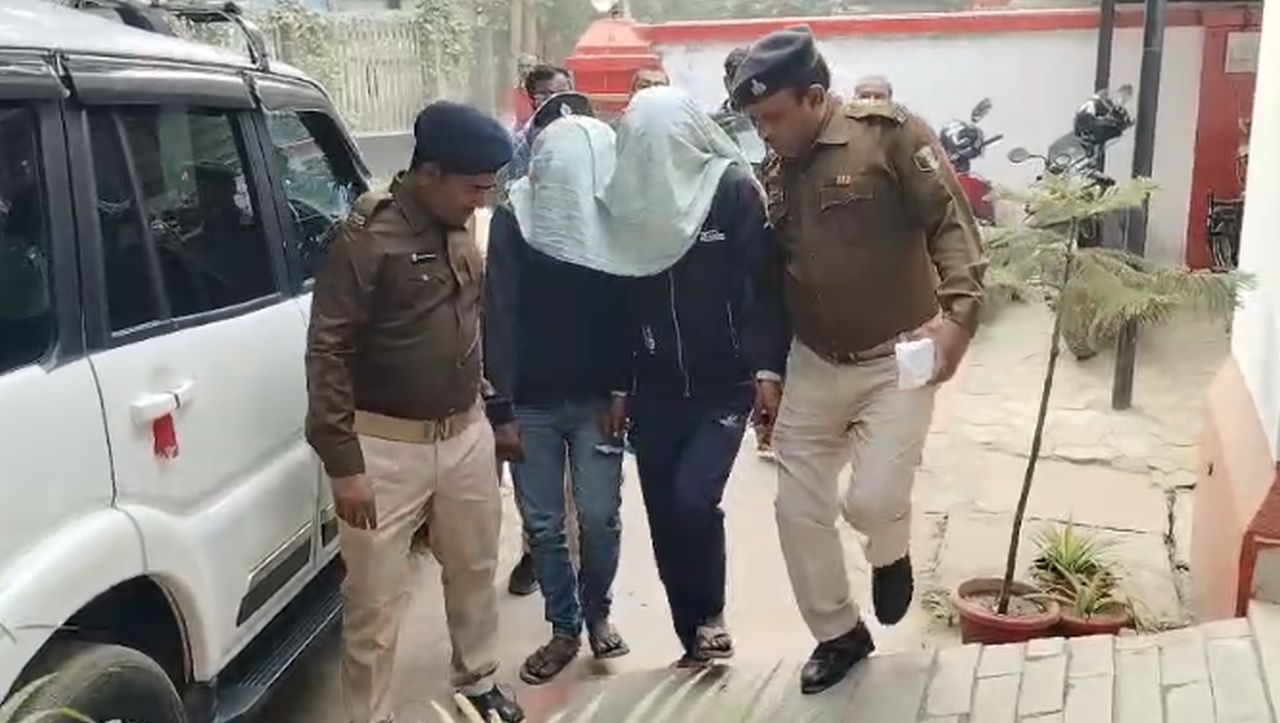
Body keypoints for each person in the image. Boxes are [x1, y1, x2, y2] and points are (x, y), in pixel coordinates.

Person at [733, 28, 985, 695]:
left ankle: (889, 550)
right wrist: (769, 370)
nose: (765, 133)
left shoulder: (889, 137)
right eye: (756, 121)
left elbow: (950, 224)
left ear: (815, 97)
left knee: (873, 499)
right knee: (796, 509)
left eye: (773, 116)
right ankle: (838, 631)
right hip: (815, 361)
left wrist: (958, 318)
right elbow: (778, 277)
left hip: (898, 357)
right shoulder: (776, 169)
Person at [305, 101, 525, 723]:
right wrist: (344, 464)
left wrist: (496, 413)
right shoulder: (368, 238)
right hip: (384, 448)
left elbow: (473, 325)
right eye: (474, 187)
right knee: (374, 599)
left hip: (464, 434)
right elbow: (327, 350)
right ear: (430, 174)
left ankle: (478, 681)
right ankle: (369, 713)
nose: (482, 201)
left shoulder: (460, 223)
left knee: (475, 570)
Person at [601, 86, 789, 668]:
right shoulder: (623, 203)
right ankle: (693, 637)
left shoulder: (730, 191)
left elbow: (762, 289)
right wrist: (619, 386)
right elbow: (614, 302)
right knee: (663, 514)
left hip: (723, 384)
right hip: (653, 388)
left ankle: (710, 615)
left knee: (693, 499)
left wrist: (766, 369)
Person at [484, 114, 632, 684]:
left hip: (597, 401)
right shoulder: (514, 218)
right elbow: (499, 313)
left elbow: (625, 308)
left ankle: (598, 614)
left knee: (599, 518)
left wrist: (622, 387)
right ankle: (564, 628)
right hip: (531, 404)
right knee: (544, 525)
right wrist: (501, 408)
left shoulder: (611, 218)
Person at [507, 54, 539, 132]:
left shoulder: (543, 91)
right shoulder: (514, 92)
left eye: (528, 66)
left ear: (536, 68)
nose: (525, 70)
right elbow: (509, 116)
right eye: (521, 66)